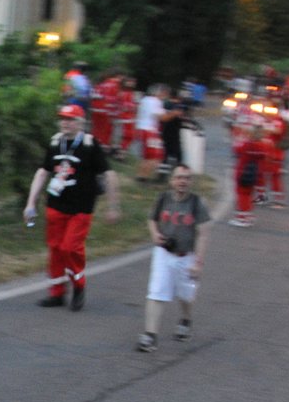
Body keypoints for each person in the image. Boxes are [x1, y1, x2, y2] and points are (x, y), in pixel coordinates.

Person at [24, 103, 118, 310]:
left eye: (70, 119)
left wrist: (113, 206)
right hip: (56, 205)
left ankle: (78, 286)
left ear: (80, 123)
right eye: (63, 119)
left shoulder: (90, 144)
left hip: (81, 207)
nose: (65, 123)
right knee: (56, 248)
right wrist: (31, 203)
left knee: (70, 247)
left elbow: (108, 174)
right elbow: (43, 172)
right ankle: (57, 293)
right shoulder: (55, 143)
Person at [138, 164, 212, 352]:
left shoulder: (196, 203)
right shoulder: (163, 198)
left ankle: (186, 319)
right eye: (179, 177)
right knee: (156, 292)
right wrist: (155, 234)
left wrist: (198, 263)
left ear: (191, 182)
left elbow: (203, 233)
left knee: (185, 295)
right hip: (163, 253)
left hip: (185, 256)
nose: (182, 181)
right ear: (172, 180)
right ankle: (150, 335)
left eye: (186, 178)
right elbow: (152, 219)